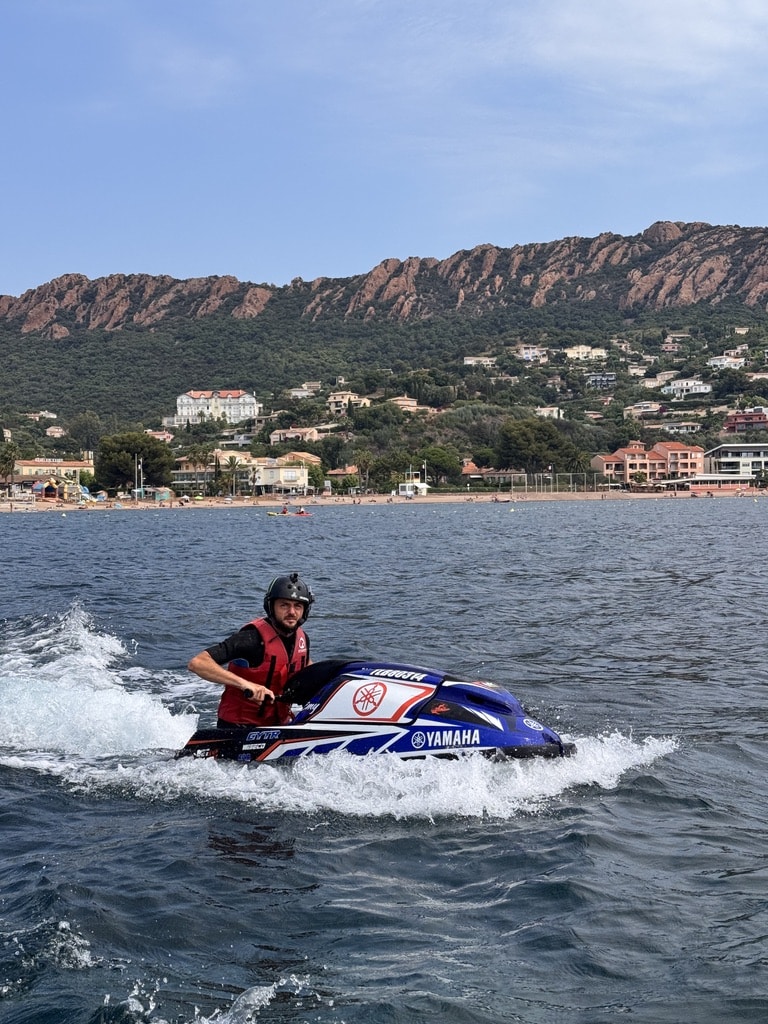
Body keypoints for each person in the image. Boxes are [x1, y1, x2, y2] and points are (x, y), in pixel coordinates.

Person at [187, 572, 314, 728]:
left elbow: (306, 665)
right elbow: (198, 663)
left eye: (298, 606)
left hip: (278, 727)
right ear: (271, 607)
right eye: (284, 605)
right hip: (237, 728)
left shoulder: (302, 640)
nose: (292, 612)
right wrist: (246, 684)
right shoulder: (251, 639)